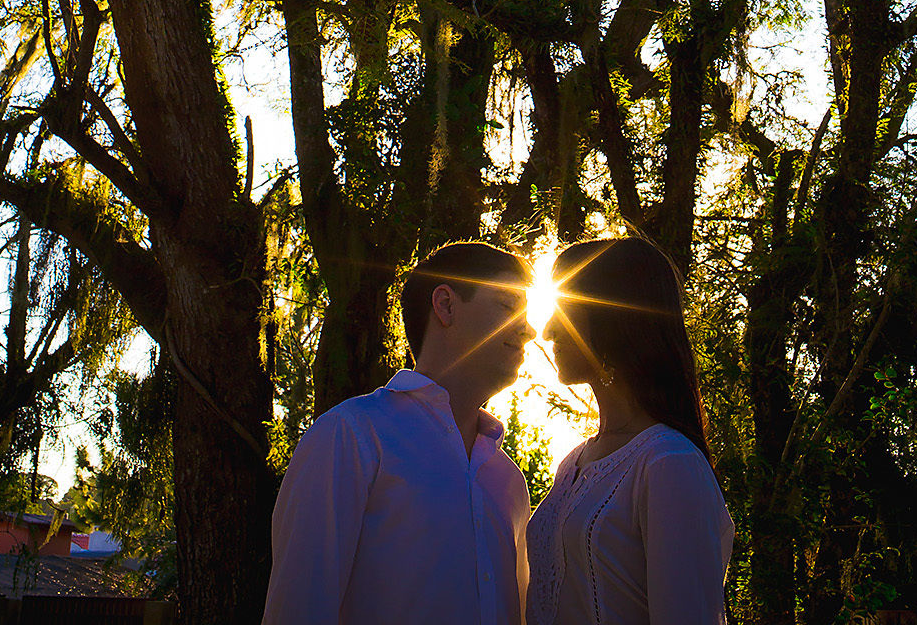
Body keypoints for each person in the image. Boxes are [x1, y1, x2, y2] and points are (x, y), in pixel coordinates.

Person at [263, 240, 535, 625]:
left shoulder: (508, 480)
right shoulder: (352, 436)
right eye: (509, 306)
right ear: (446, 306)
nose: (530, 330)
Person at [527, 238, 734, 625]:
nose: (548, 330)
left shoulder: (668, 463)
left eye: (563, 308)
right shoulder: (573, 463)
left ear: (613, 319)